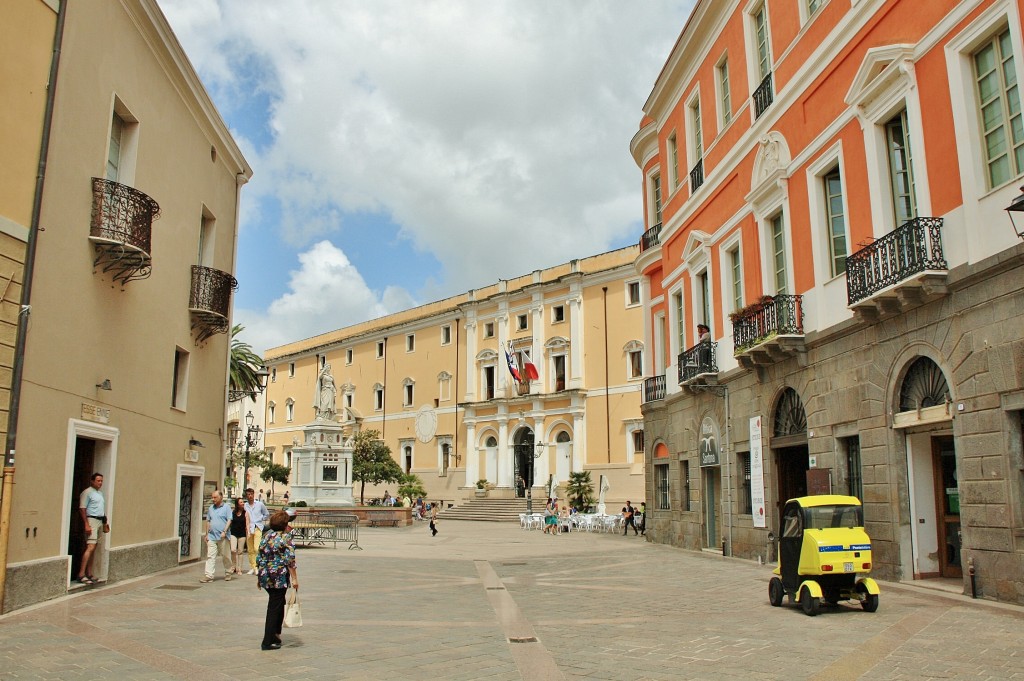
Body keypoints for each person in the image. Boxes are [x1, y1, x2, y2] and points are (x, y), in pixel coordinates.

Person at [256, 510, 298, 651]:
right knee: (274, 606)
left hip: (265, 575)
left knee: (279, 603)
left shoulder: (266, 536)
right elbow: (290, 560)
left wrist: (259, 576)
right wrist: (295, 579)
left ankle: (275, 634)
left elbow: (259, 557)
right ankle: (267, 640)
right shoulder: (285, 538)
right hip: (279, 576)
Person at [76, 473, 106, 585]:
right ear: (92, 481)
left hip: (99, 521)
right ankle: (81, 574)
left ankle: (89, 573)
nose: (100, 483)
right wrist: (86, 524)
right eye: (98, 480)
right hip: (91, 520)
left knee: (94, 548)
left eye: (101, 481)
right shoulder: (87, 492)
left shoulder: (100, 493)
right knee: (90, 547)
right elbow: (82, 508)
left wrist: (104, 522)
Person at [201, 490, 234, 583]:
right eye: (212, 497)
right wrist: (206, 534)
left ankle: (228, 572)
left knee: (225, 555)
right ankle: (209, 575)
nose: (213, 499)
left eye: (215, 497)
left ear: (221, 497)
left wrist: (225, 531)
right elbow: (208, 521)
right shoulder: (211, 508)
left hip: (223, 536)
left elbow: (229, 520)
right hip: (212, 536)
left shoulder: (226, 507)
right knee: (210, 556)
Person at [244, 488, 270, 575]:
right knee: (250, 549)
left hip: (257, 527)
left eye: (251, 494)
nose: (250, 496)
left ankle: (258, 566)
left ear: (253, 494)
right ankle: (253, 566)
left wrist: (261, 519)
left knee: (256, 548)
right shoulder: (245, 505)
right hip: (249, 528)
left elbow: (266, 514)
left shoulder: (259, 504)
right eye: (248, 494)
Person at [229, 497, 249, 575]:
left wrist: (248, 532)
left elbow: (247, 524)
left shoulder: (246, 513)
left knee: (240, 551)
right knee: (233, 550)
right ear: (237, 504)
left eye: (243, 502)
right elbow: (230, 521)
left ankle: (239, 568)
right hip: (233, 533)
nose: (243, 503)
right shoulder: (233, 512)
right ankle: (233, 566)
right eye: (241, 502)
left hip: (242, 534)